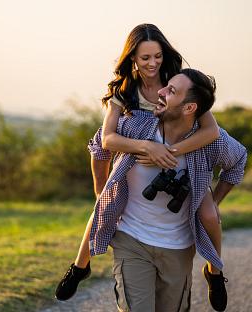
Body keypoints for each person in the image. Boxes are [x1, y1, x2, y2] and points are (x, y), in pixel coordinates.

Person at [55, 24, 221, 305]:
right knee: (103, 200)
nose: (152, 63)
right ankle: (80, 267)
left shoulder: (176, 82)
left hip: (181, 152)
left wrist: (169, 151)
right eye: (145, 58)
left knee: (209, 213)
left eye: (157, 56)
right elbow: (108, 139)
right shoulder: (124, 90)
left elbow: (211, 131)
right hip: (129, 150)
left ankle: (215, 271)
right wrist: (147, 147)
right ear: (132, 57)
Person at [88, 69, 247, 311]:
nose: (160, 91)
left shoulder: (210, 142)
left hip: (178, 247)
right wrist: (101, 191)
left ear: (189, 108)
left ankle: (215, 272)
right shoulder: (137, 126)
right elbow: (101, 142)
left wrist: (214, 201)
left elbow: (238, 161)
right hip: (132, 240)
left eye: (171, 91)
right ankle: (79, 268)